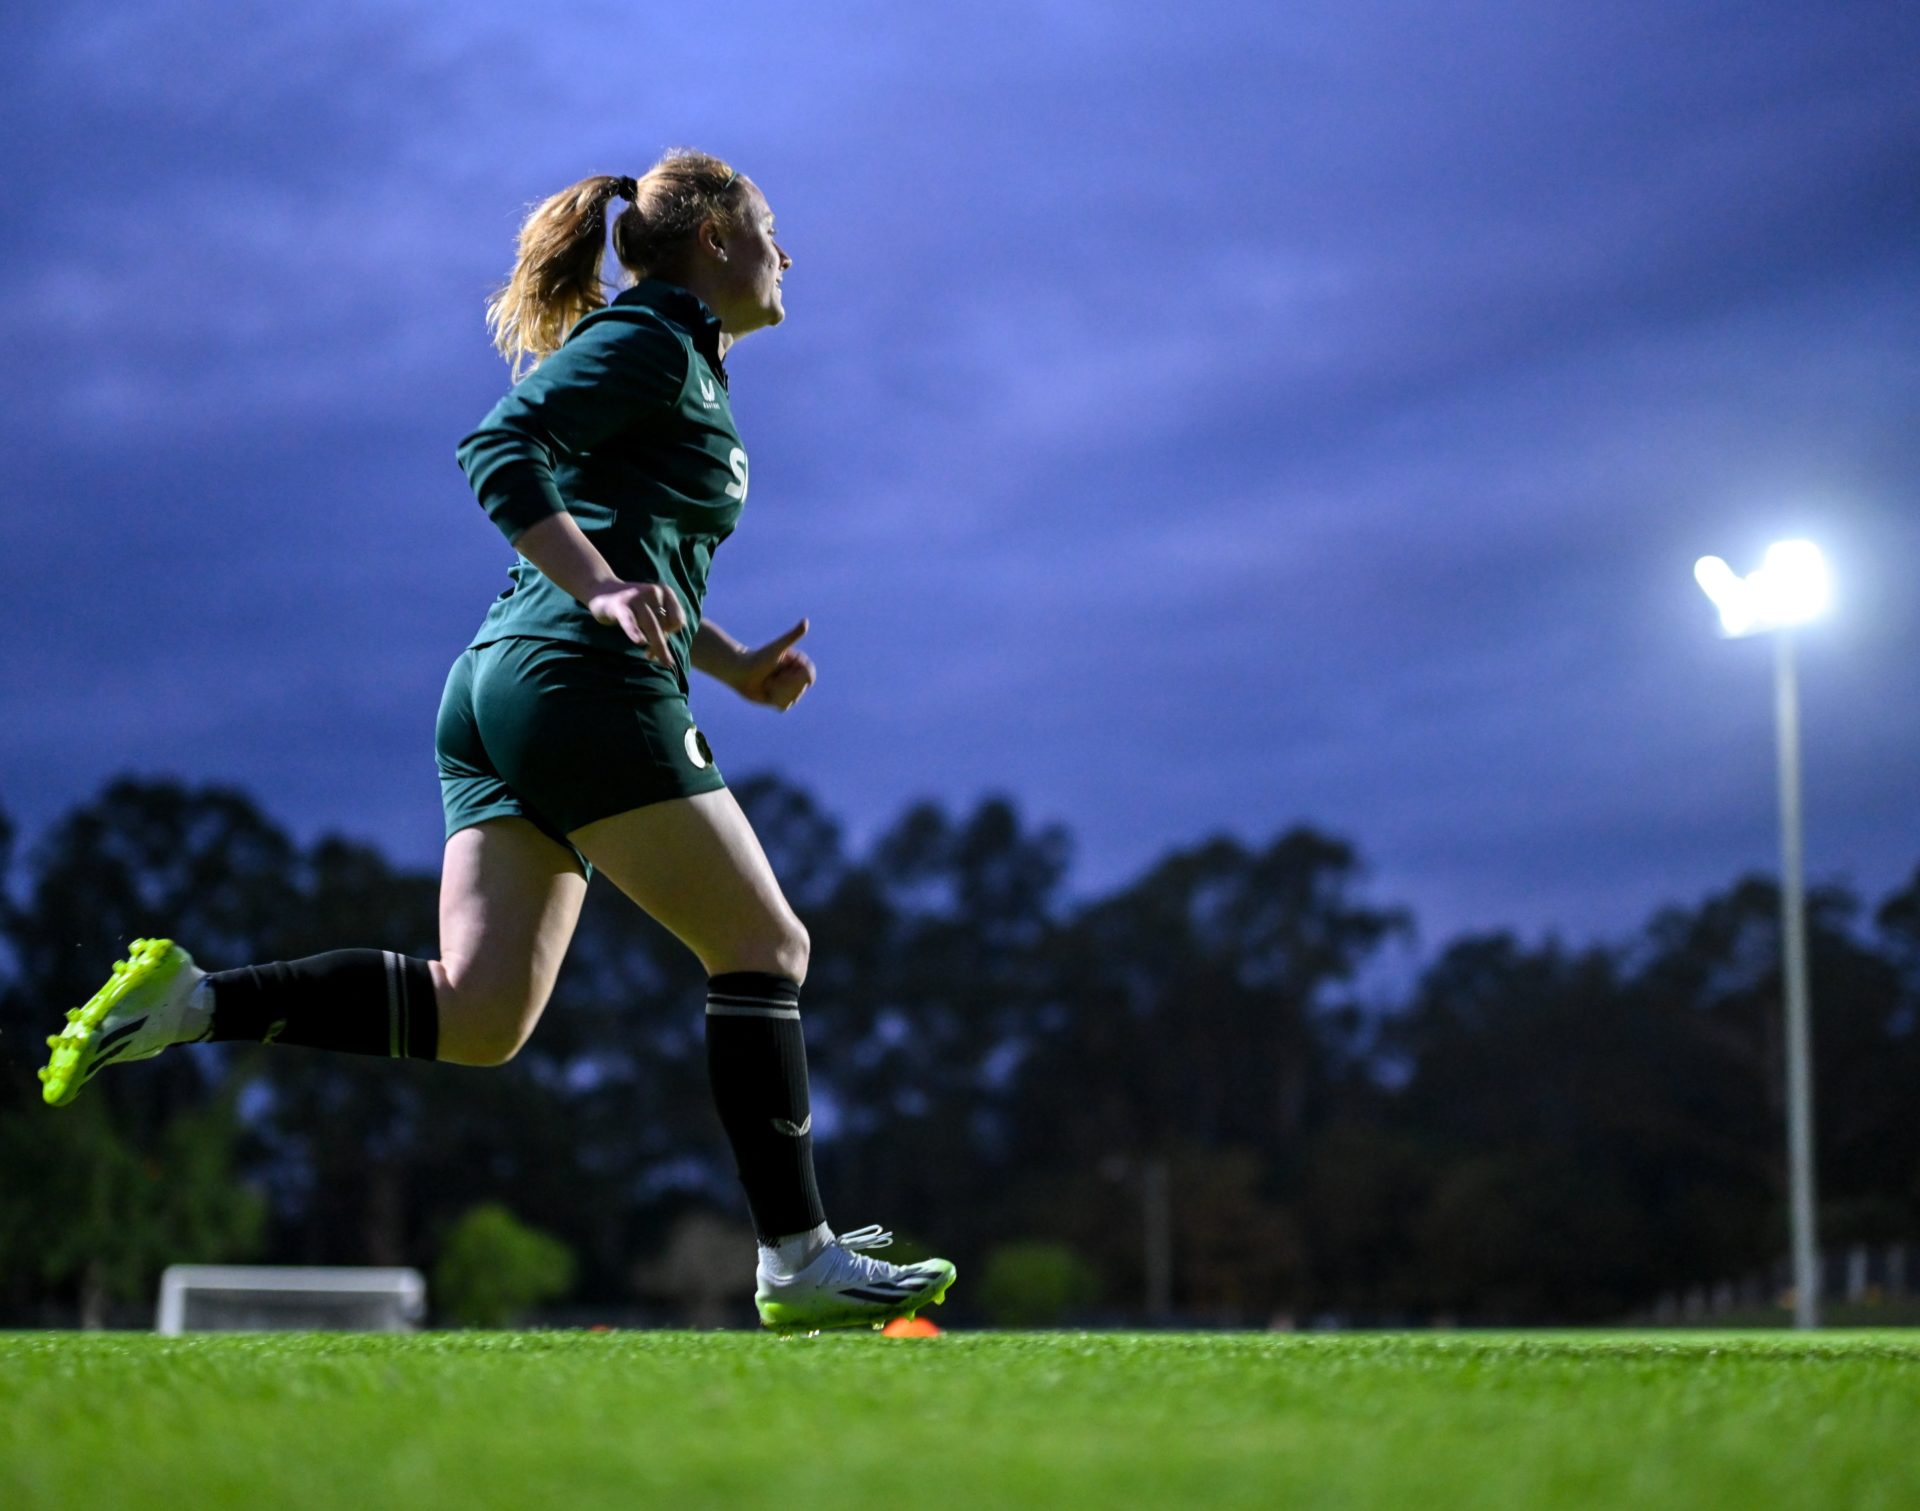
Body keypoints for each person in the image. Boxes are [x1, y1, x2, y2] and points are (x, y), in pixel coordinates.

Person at [38, 148, 955, 1334]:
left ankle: (195, 1002)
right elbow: (495, 451)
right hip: (573, 681)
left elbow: (638, 542)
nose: (790, 255)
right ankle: (797, 1255)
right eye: (773, 228)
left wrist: (727, 663)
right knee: (765, 945)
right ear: (717, 237)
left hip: (499, 692)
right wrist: (602, 596)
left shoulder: (684, 366)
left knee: (478, 1015)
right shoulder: (650, 342)